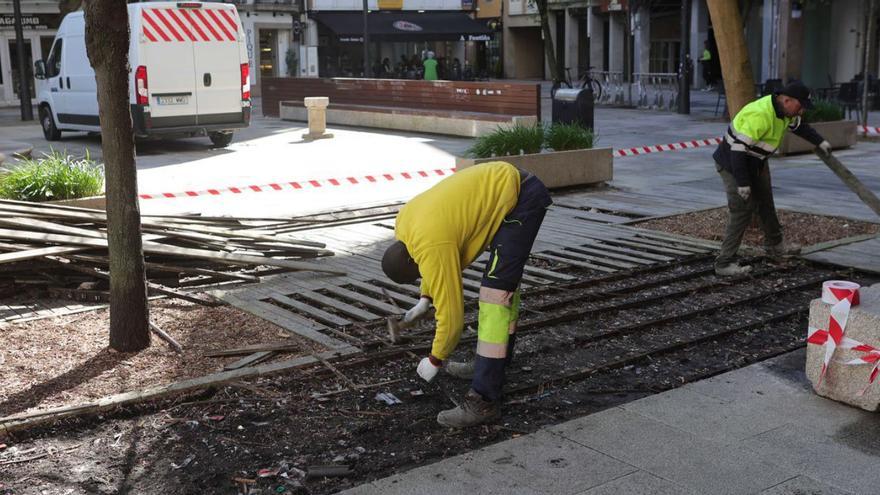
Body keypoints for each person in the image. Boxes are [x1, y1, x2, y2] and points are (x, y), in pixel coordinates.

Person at [381, 162, 552, 427]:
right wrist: (424, 299)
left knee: (496, 297)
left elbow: (452, 316)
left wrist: (435, 359)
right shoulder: (405, 225)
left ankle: (484, 401)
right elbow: (429, 265)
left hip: (522, 198)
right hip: (505, 184)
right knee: (503, 288)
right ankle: (492, 365)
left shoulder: (433, 246)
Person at [712, 81, 832, 277]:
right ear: (786, 100)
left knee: (766, 203)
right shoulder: (760, 115)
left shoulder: (785, 112)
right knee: (742, 210)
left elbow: (800, 128)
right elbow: (737, 151)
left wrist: (820, 141)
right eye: (800, 107)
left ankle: (776, 246)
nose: (801, 112)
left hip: (755, 162)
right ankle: (724, 263)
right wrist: (743, 183)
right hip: (733, 164)